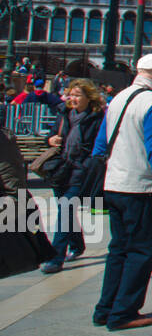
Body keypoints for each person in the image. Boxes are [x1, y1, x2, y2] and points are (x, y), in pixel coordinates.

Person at [91, 54, 152, 330]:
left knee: (118, 249)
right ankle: (124, 312)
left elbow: (101, 143)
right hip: (140, 186)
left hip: (114, 183)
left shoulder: (118, 98)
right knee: (140, 250)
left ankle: (105, 308)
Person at [39, 78, 106, 273]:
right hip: (61, 169)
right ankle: (77, 245)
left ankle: (55, 257)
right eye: (71, 94)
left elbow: (100, 145)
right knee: (66, 210)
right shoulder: (64, 113)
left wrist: (88, 164)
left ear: (88, 97)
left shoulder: (97, 117)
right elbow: (51, 135)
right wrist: (50, 139)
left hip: (80, 170)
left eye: (78, 95)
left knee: (66, 210)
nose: (73, 98)